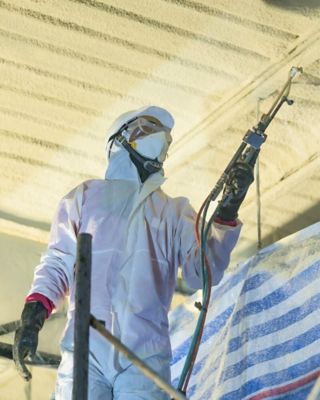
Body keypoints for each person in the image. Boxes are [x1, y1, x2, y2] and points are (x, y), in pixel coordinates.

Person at [12, 106, 254, 399]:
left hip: (145, 353)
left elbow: (200, 272)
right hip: (86, 347)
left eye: (162, 134)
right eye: (146, 129)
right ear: (119, 139)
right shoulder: (85, 197)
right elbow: (57, 265)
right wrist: (32, 317)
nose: (159, 138)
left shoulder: (175, 211)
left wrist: (227, 211)